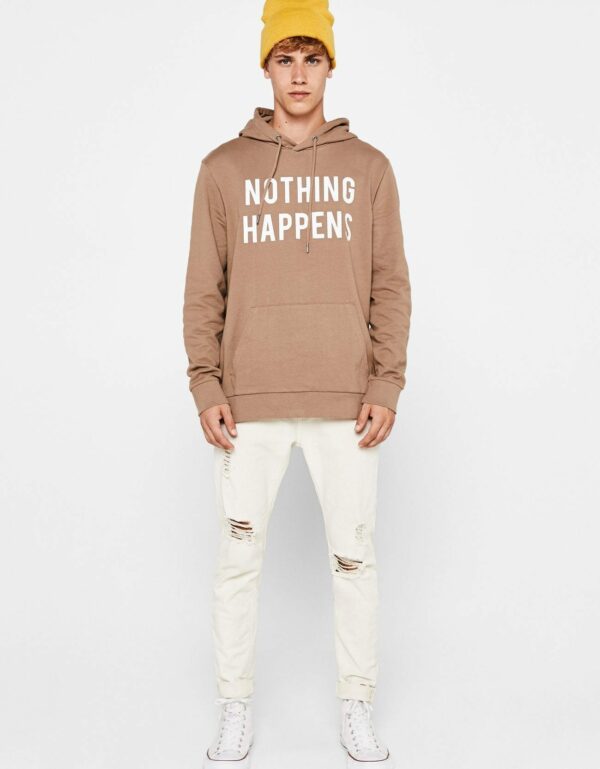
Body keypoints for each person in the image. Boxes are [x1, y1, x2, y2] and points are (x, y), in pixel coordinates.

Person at [182, 1, 412, 765]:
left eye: (313, 58)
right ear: (266, 67)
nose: (300, 73)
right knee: (237, 560)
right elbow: (203, 290)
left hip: (347, 404)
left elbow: (390, 285)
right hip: (248, 404)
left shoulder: (370, 169)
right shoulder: (223, 170)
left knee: (354, 558)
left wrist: (385, 382)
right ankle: (235, 706)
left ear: (331, 67)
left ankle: (356, 704)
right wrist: (207, 385)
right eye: (286, 58)